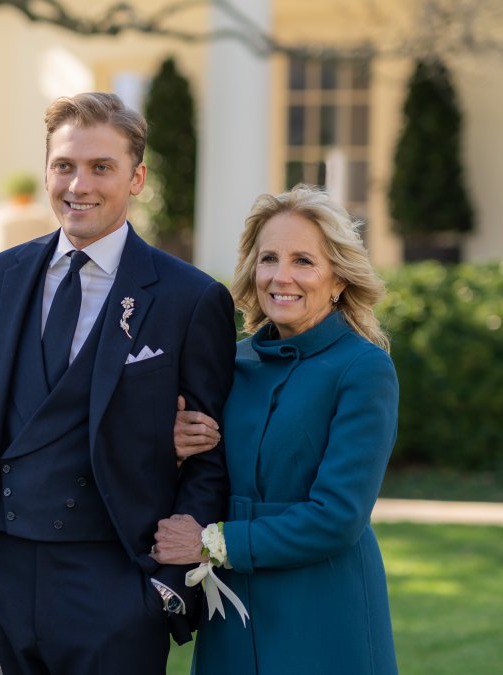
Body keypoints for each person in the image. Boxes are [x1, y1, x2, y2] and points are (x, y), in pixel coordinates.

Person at [0, 91, 236, 675]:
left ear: (136, 178)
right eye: (64, 165)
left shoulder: (190, 298)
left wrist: (165, 586)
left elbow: (210, 459)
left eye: (100, 167)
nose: (78, 185)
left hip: (114, 584)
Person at [155, 184, 399, 674]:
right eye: (269, 258)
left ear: (338, 278)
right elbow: (207, 474)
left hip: (322, 608)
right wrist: (177, 448)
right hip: (232, 614)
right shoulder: (231, 362)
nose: (281, 276)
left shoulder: (364, 369)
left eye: (303, 261)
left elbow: (338, 516)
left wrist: (212, 543)